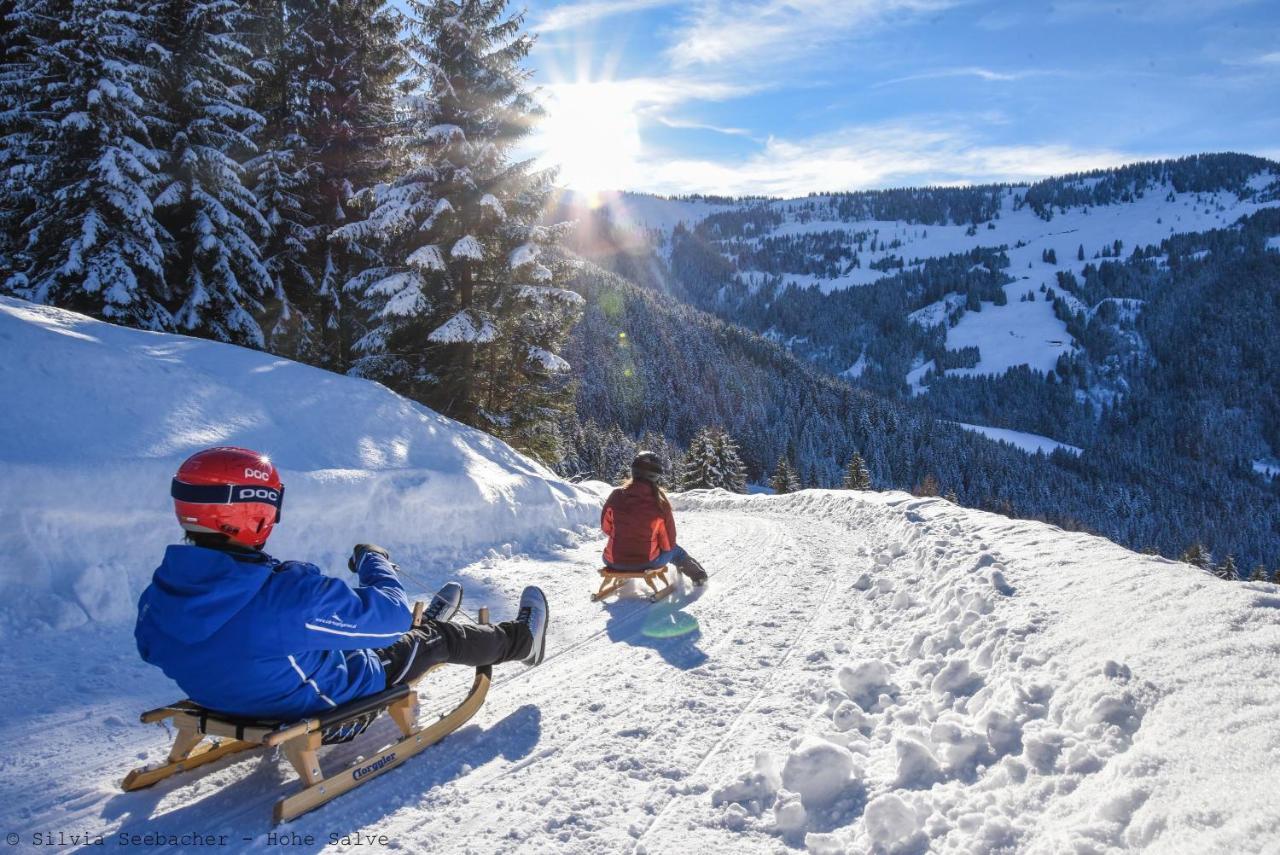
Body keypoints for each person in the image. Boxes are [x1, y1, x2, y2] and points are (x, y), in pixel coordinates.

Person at [135, 446, 548, 720]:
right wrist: (374, 561)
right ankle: (521, 641)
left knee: (323, 632)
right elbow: (389, 613)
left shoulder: (160, 593)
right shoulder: (288, 595)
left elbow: (157, 649)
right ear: (255, 512)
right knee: (438, 638)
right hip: (322, 701)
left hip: (230, 696)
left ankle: (403, 634)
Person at [601, 451, 707, 585]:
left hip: (612, 561)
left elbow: (606, 528)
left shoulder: (616, 496)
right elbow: (668, 544)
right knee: (675, 551)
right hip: (647, 562)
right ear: (656, 476)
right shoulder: (660, 503)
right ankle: (698, 575)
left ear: (634, 470)